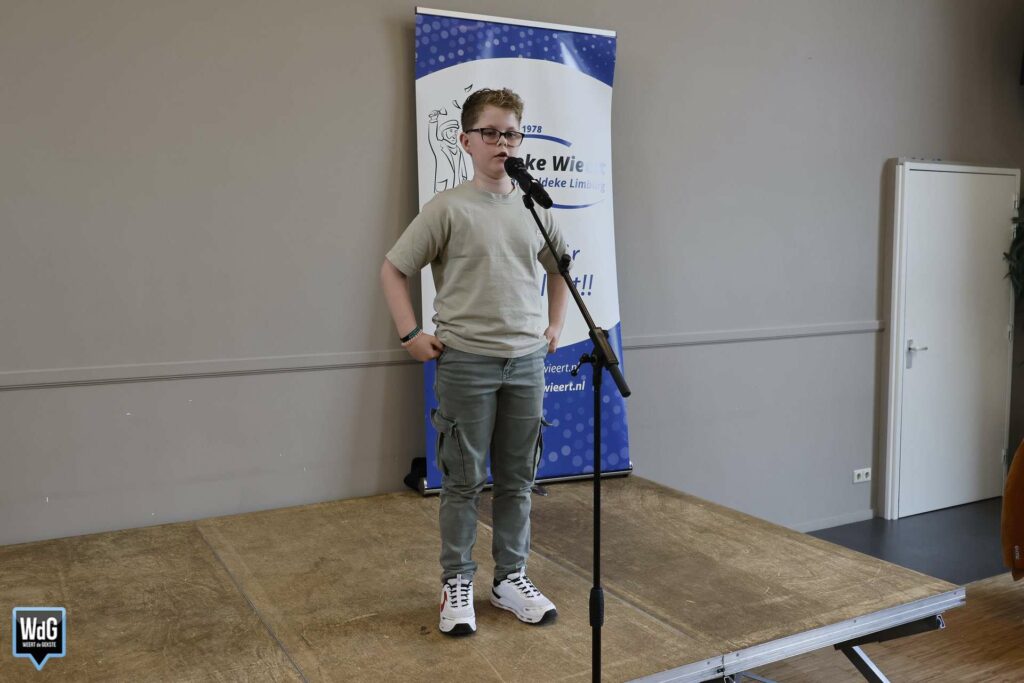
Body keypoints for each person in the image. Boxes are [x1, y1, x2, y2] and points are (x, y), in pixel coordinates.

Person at [380, 87, 570, 636]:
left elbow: (560, 267)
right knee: (463, 481)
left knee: (517, 481)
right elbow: (393, 269)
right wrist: (410, 334)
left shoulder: (534, 207)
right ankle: (457, 581)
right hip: (466, 363)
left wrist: (554, 326)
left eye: (511, 133)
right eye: (490, 133)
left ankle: (510, 578)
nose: (502, 143)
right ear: (466, 141)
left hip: (526, 363)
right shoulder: (448, 208)